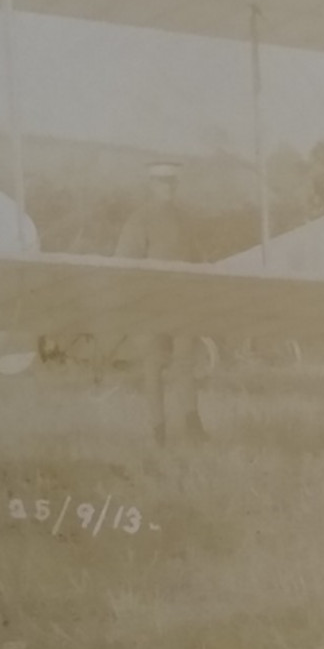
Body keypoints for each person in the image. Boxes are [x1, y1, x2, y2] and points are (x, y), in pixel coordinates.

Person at [115, 162, 206, 446]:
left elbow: (199, 261)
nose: (166, 186)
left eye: (170, 182)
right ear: (151, 184)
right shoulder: (138, 220)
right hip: (150, 305)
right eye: (160, 181)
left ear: (176, 185)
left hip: (182, 304)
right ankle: (159, 434)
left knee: (185, 365)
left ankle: (193, 429)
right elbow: (123, 266)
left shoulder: (186, 219)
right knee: (153, 366)